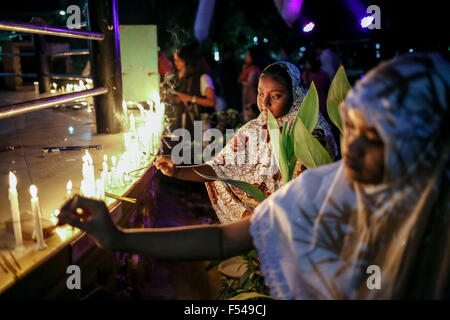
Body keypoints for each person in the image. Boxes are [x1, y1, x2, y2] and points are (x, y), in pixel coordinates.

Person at [58, 53, 449, 300]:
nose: (353, 150)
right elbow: (224, 232)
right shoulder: (325, 187)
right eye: (353, 128)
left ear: (428, 143)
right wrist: (120, 236)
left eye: (375, 137)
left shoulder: (310, 136)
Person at [155, 61, 337, 223]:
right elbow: (219, 168)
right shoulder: (253, 130)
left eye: (275, 96)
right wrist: (177, 169)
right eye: (260, 94)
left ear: (295, 94)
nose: (264, 103)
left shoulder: (312, 132)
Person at [163, 43, 216, 136]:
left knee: (198, 149)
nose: (176, 63)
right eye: (175, 60)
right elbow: (179, 100)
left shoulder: (203, 77)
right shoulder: (177, 77)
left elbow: (211, 102)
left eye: (179, 60)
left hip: (200, 124)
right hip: (183, 125)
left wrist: (191, 98)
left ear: (188, 60)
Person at [238, 47, 262, 121]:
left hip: (252, 98)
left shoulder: (254, 69)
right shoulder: (246, 68)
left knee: (251, 118)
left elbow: (250, 83)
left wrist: (242, 81)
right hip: (246, 97)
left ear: (253, 57)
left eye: (248, 55)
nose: (246, 57)